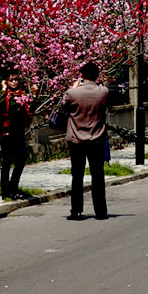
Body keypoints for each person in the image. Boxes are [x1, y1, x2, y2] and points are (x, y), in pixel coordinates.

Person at [62, 61, 110, 221]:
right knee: (98, 175)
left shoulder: (73, 93)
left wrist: (76, 86)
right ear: (97, 75)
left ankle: (76, 211)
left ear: (81, 75)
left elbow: (63, 105)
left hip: (76, 139)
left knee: (77, 175)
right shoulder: (103, 92)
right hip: (96, 138)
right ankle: (101, 211)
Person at [0, 71, 35, 201]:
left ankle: (13, 186)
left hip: (18, 132)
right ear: (6, 81)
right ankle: (5, 191)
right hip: (7, 132)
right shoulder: (3, 95)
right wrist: (3, 90)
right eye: (11, 79)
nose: (14, 82)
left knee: (22, 157)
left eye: (16, 79)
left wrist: (34, 95)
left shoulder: (22, 95)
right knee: (6, 161)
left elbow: (30, 108)